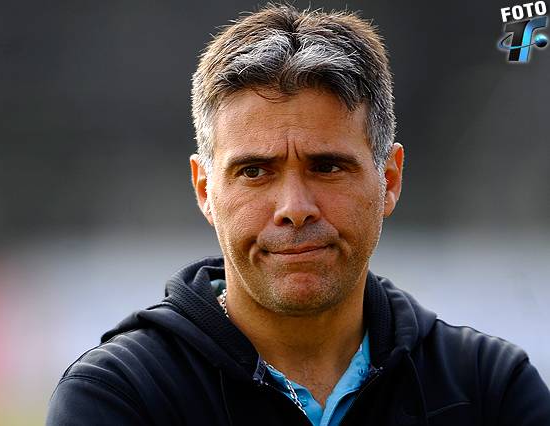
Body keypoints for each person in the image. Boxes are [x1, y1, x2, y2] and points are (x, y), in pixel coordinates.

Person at [46, 4, 550, 425]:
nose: (295, 208)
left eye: (327, 167)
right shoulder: (121, 396)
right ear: (205, 190)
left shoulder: (489, 389)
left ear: (389, 180)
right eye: (254, 171)